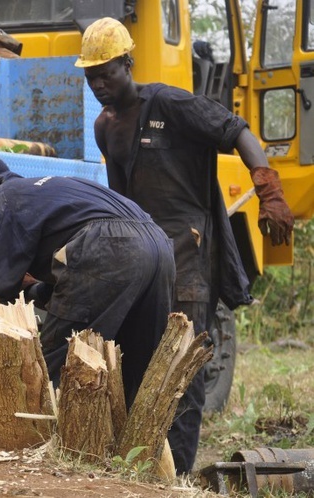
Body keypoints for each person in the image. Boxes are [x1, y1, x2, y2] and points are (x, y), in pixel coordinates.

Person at [75, 17, 296, 474]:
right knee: (138, 361)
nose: (99, 84)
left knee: (182, 366)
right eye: (90, 76)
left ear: (128, 64)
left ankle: (180, 476)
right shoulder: (105, 127)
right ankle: (146, 466)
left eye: (107, 73)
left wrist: (269, 190)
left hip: (191, 253)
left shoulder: (170, 104)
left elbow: (237, 129)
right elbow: (121, 203)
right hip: (147, 255)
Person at [0, 149, 175, 408]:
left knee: (60, 371)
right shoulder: (48, 190)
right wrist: (34, 289)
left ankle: (48, 446)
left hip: (110, 248)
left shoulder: (1, 198)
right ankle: (138, 447)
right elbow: (81, 285)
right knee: (140, 374)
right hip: (158, 243)